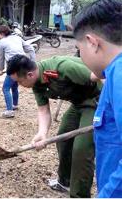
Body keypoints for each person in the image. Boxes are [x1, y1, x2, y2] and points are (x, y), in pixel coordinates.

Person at [7, 54, 101, 197]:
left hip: (96, 102)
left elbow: (101, 76)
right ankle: (65, 181)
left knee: (81, 149)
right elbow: (43, 110)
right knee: (62, 139)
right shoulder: (37, 83)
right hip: (78, 104)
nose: (20, 86)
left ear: (30, 74)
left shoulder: (62, 67)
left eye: (19, 82)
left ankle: (80, 194)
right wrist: (42, 133)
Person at [73, 0, 122, 197]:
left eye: (79, 50)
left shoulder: (119, 74)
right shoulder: (112, 75)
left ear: (92, 42)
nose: (80, 57)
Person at [0, 25, 36, 118]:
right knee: (14, 85)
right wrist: (33, 63)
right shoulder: (18, 38)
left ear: (1, 34)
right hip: (24, 62)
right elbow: (31, 49)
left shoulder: (2, 42)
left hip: (14, 64)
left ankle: (9, 111)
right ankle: (14, 105)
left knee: (5, 88)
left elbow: (1, 57)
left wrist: (0, 69)